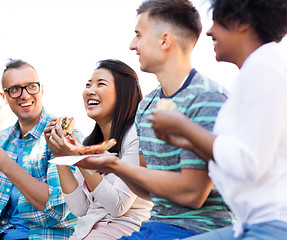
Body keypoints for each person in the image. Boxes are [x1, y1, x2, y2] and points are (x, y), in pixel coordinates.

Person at [75, 0, 234, 239]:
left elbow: (193, 194)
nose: (132, 45)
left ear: (164, 40)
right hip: (156, 226)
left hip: (198, 230)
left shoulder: (208, 98)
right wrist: (108, 164)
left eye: (138, 36)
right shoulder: (146, 106)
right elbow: (148, 191)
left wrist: (115, 166)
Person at [149, 0, 287, 239]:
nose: (209, 31)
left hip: (278, 227)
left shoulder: (264, 70)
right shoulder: (258, 71)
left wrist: (183, 126)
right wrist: (186, 142)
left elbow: (247, 163)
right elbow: (240, 155)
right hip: (252, 223)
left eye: (217, 21)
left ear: (241, 22)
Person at [0, 59, 78, 239]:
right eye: (15, 89)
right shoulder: (2, 140)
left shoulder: (62, 134)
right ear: (4, 97)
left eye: (31, 86)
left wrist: (6, 165)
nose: (24, 95)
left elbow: (59, 208)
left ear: (41, 90)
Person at [43, 59, 153, 240]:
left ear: (123, 93)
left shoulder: (136, 134)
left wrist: (79, 156)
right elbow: (80, 208)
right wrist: (60, 155)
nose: (90, 91)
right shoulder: (90, 141)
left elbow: (118, 207)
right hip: (87, 231)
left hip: (123, 231)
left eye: (100, 84)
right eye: (88, 85)